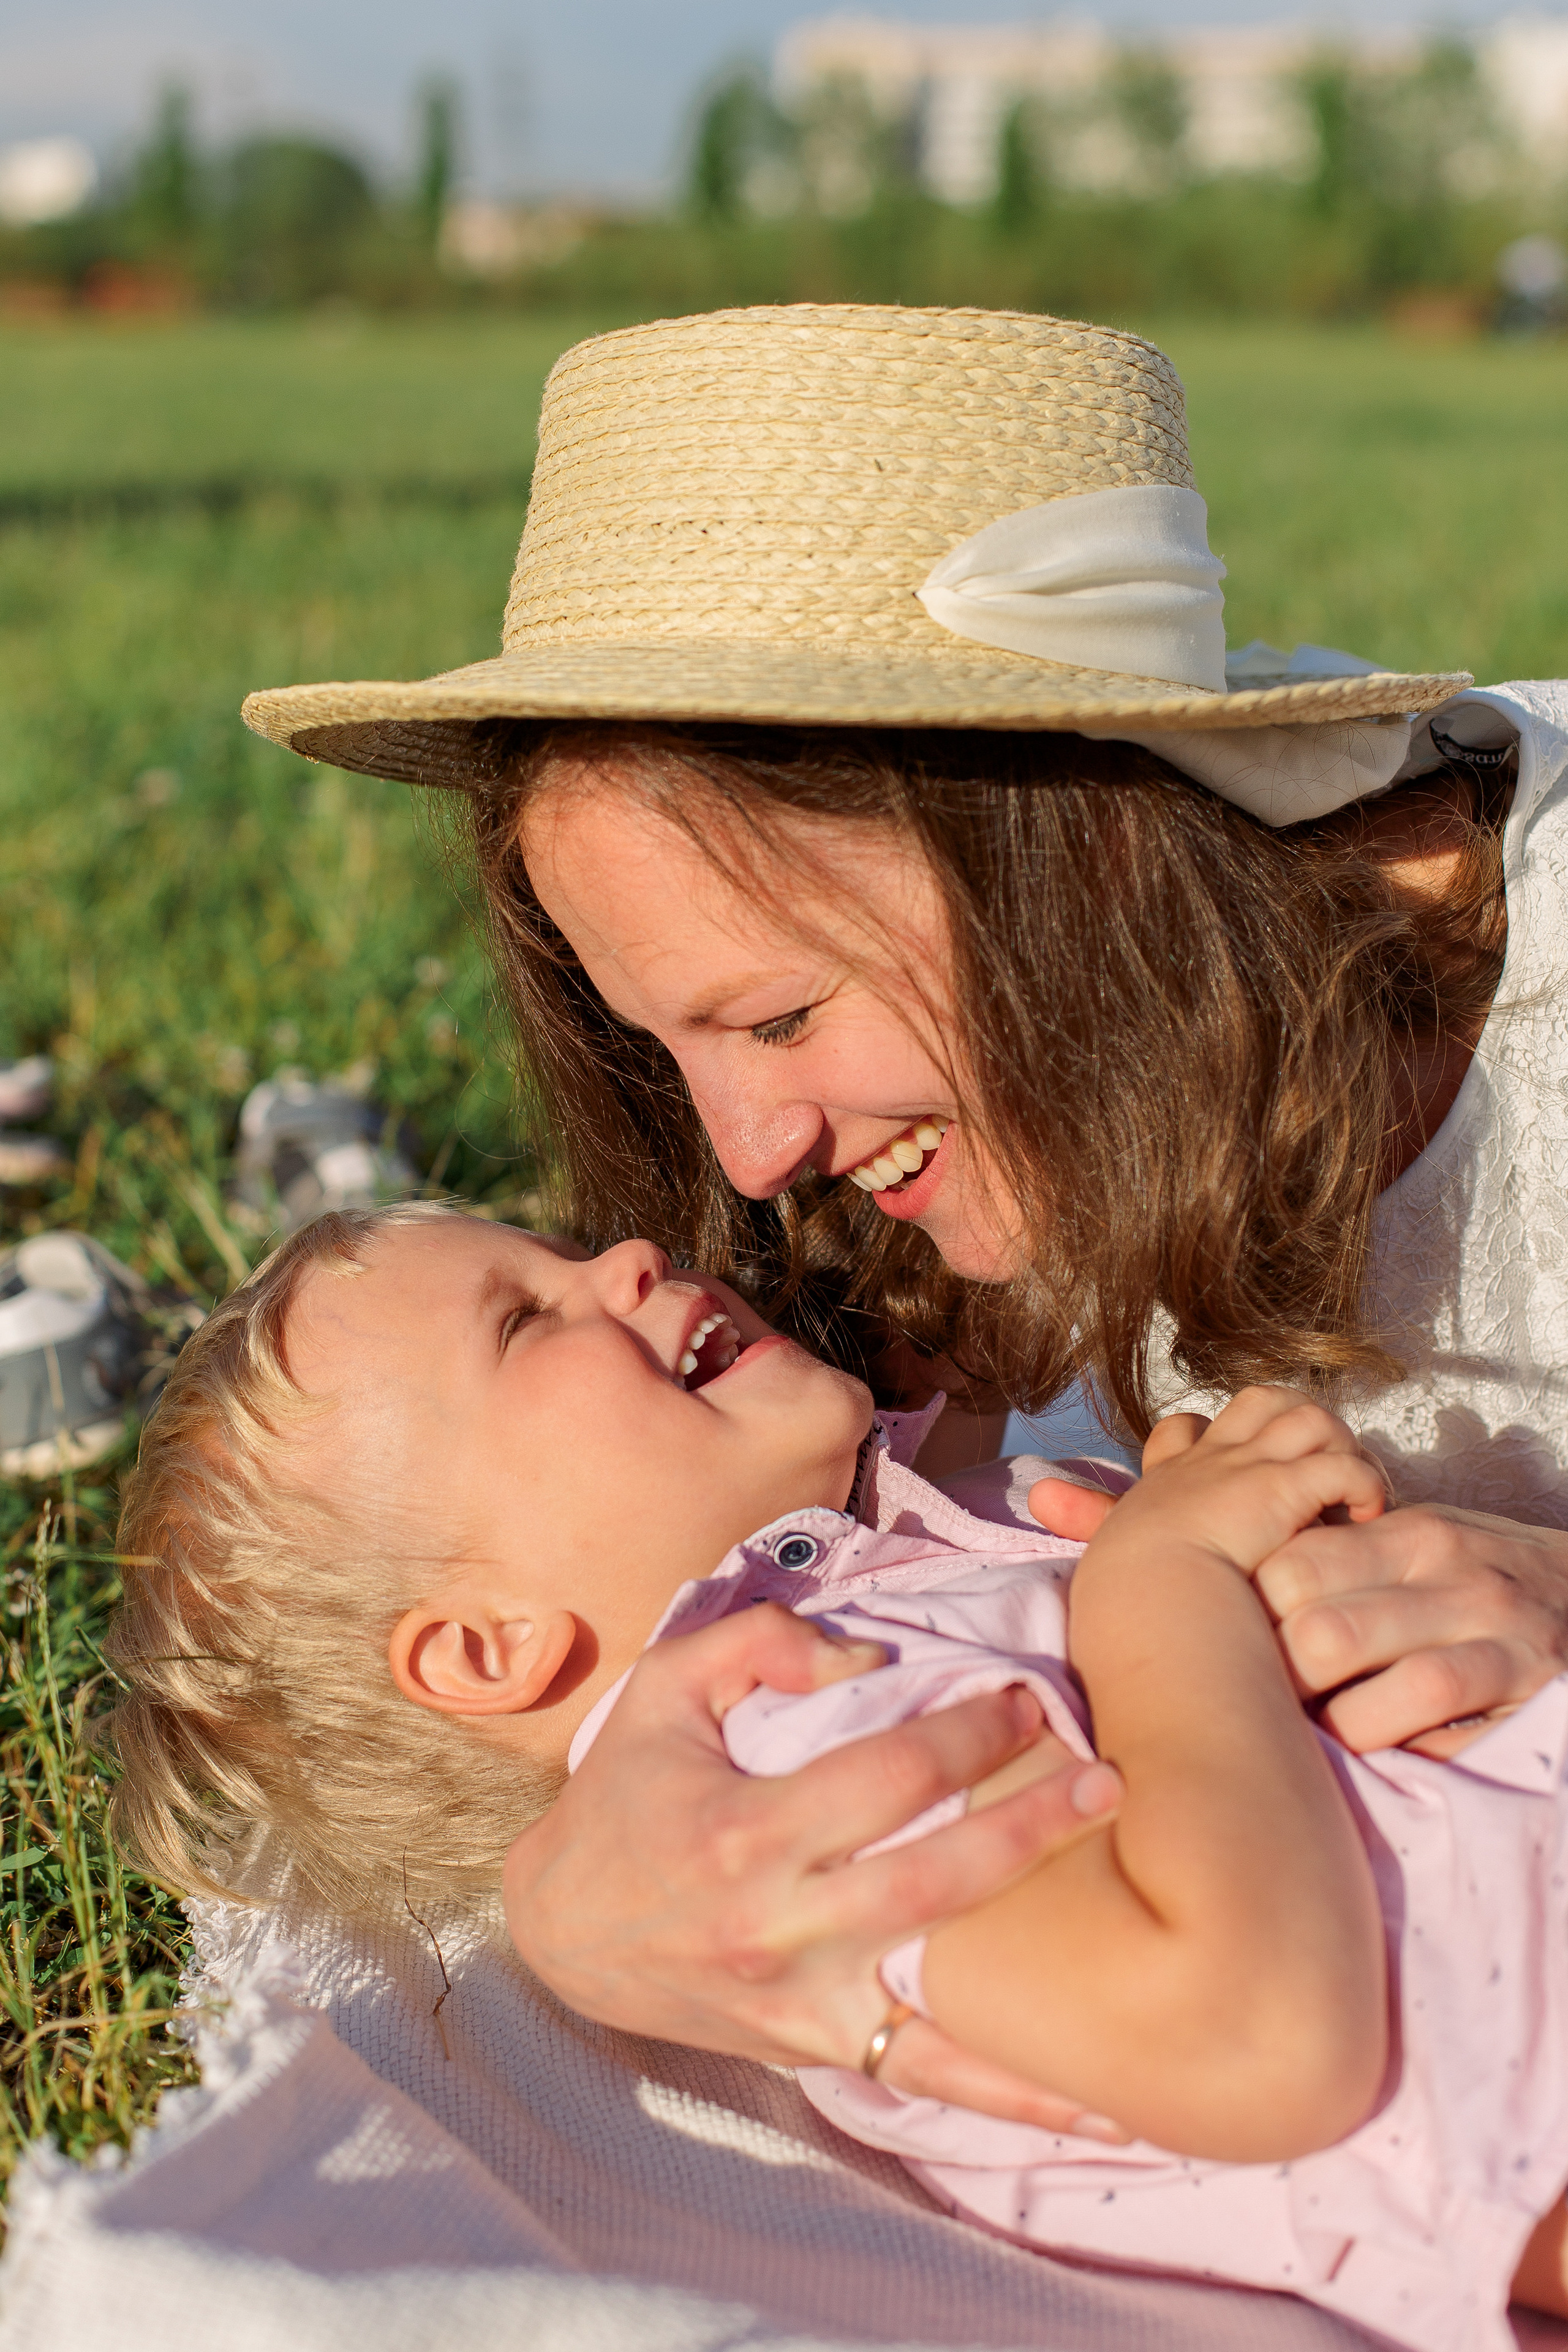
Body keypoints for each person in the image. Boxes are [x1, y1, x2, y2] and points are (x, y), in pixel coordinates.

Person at [241, 301, 1568, 2109]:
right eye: (672, 1043)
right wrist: (576, 1890)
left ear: (1080, 846)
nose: (746, 1159)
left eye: (780, 1014)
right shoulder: (935, 1226)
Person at [104, 1202, 1568, 2352]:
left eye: (559, 1251)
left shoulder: (896, 1570)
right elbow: (1252, 2045)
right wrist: (1166, 1586)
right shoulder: (797, 1760)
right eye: (521, 1321)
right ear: (487, 1645)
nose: (623, 1254)